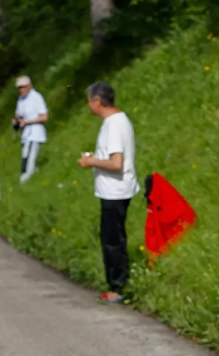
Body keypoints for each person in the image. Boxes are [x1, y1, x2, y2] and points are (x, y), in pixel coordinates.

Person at [77, 82, 139, 304]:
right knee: (114, 237)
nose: (88, 105)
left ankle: (118, 286)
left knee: (112, 240)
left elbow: (116, 163)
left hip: (115, 191)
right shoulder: (117, 121)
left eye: (89, 100)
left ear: (97, 101)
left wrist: (90, 161)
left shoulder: (113, 124)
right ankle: (118, 283)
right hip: (116, 189)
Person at [12, 75, 49, 184]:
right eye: (19, 88)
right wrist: (16, 121)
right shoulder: (20, 100)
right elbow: (19, 115)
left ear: (29, 86)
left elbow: (44, 116)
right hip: (26, 135)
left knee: (30, 158)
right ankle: (29, 177)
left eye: (23, 87)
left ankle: (26, 180)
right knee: (25, 156)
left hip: (35, 133)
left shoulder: (36, 98)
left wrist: (28, 122)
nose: (21, 90)